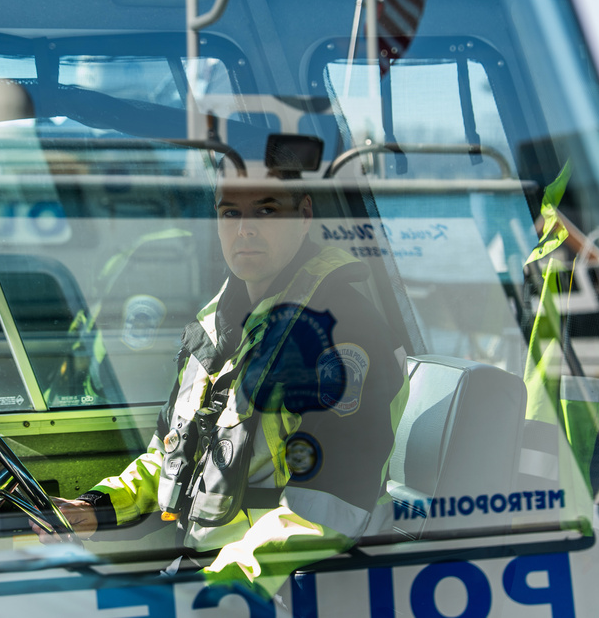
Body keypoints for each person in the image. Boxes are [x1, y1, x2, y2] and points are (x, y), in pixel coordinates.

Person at [36, 168, 409, 600]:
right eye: (231, 212)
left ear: (303, 214)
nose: (244, 229)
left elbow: (328, 508)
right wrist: (96, 509)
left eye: (265, 211)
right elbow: (171, 455)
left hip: (280, 590)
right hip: (206, 571)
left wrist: (215, 588)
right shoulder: (217, 325)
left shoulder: (342, 331)